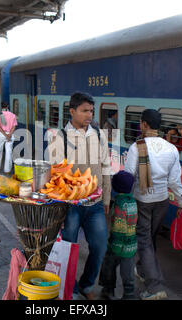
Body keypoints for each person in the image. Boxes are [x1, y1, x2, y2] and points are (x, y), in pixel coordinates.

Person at [46, 92, 111, 300]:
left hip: (95, 203)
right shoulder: (60, 137)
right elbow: (54, 174)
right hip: (70, 205)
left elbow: (106, 167)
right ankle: (70, 288)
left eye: (91, 110)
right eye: (84, 110)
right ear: (72, 111)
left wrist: (107, 198)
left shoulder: (99, 135)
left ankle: (86, 284)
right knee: (68, 249)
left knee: (100, 246)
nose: (89, 114)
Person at [124, 109, 182, 300]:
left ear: (144, 124)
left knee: (143, 240)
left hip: (142, 200)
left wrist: (122, 199)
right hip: (162, 201)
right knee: (150, 239)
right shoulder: (171, 149)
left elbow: (128, 176)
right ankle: (143, 270)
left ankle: (155, 286)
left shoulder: (138, 147)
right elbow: (175, 180)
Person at [99, 170, 138, 300]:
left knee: (108, 265)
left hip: (118, 244)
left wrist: (112, 242)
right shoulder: (133, 202)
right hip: (131, 244)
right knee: (128, 270)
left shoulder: (119, 204)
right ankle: (129, 293)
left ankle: (108, 290)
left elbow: (118, 227)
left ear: (115, 187)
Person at [0, 101, 17, 173]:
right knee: (8, 152)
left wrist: (5, 135)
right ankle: (7, 170)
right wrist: (9, 135)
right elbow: (14, 126)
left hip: (1, 134)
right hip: (10, 134)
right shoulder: (13, 115)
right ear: (8, 106)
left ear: (1, 106)